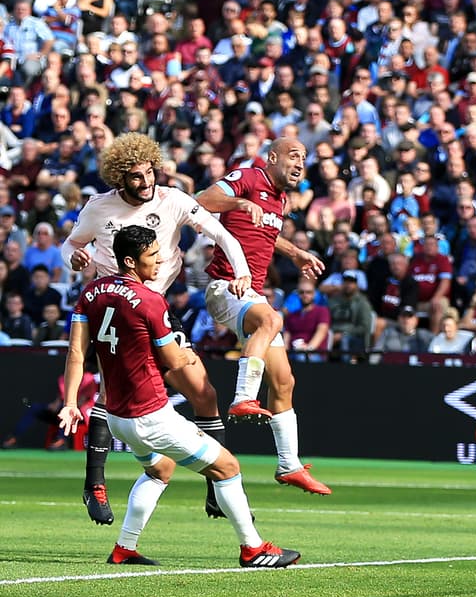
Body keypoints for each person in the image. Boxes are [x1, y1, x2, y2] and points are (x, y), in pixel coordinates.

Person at [58, 225, 299, 568]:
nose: (160, 262)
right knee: (228, 467)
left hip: (116, 417)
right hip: (150, 416)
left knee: (160, 470)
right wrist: (187, 356)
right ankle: (254, 549)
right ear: (129, 261)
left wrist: (70, 403)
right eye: (152, 257)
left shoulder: (92, 293)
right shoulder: (150, 301)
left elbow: (76, 355)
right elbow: (172, 360)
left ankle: (124, 548)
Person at [61, 133, 252, 525]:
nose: (146, 181)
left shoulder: (174, 200)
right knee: (109, 392)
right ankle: (95, 482)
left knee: (205, 393)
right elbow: (71, 245)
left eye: (149, 172)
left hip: (157, 305)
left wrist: (243, 271)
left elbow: (221, 234)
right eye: (136, 176)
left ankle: (217, 486)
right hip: (117, 306)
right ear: (119, 179)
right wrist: (75, 258)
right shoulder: (99, 208)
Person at [196, 137, 332, 497]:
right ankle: (242, 397)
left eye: (304, 157)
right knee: (272, 319)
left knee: (285, 382)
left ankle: (289, 464)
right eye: (293, 155)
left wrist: (296, 253)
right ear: (272, 158)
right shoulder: (248, 177)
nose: (300, 162)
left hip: (250, 292)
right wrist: (239, 200)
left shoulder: (280, 198)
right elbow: (201, 202)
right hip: (225, 286)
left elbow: (267, 236)